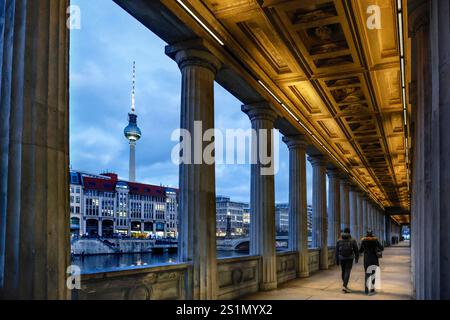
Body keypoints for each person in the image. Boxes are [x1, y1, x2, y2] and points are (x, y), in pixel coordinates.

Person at [359, 230, 384, 295]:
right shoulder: (375, 240)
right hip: (374, 260)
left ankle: (366, 290)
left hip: (367, 260)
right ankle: (372, 289)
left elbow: (361, 250)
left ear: (367, 234)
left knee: (367, 274)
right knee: (373, 274)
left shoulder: (364, 241)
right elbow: (381, 248)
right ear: (372, 234)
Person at [336, 227, 359, 293]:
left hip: (341, 257)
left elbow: (337, 251)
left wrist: (337, 260)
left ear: (343, 232)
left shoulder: (339, 240)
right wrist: (357, 258)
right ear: (349, 232)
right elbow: (356, 250)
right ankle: (344, 285)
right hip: (350, 258)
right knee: (347, 271)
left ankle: (344, 284)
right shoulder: (353, 240)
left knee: (343, 271)